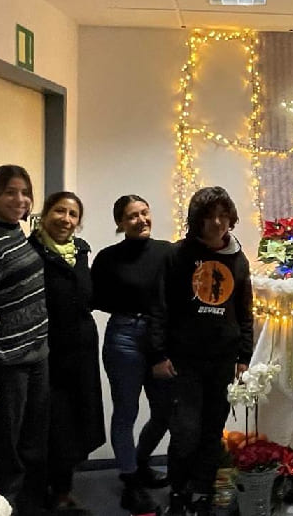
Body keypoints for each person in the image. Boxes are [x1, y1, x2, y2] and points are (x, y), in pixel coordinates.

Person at [154, 187, 253, 516]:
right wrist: (158, 354)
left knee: (212, 431)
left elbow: (244, 311)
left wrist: (244, 357)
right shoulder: (177, 255)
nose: (217, 223)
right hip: (184, 360)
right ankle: (178, 490)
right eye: (210, 216)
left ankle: (201, 492)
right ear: (197, 220)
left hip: (223, 360)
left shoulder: (238, 259)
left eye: (224, 216)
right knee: (186, 431)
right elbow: (160, 307)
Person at [0, 165, 51, 515]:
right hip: (9, 361)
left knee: (33, 442)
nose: (20, 200)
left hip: (38, 354)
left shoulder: (19, 234)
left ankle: (28, 506)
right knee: (7, 449)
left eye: (25, 193)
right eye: (10, 192)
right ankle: (6, 507)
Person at [91, 195, 172, 514]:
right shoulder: (108, 258)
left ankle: (139, 462)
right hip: (124, 337)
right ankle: (130, 480)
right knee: (126, 412)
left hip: (161, 338)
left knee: (165, 411)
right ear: (120, 223)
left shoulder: (168, 252)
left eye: (144, 212)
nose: (141, 220)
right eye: (132, 216)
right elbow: (96, 298)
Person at [29, 192, 106, 515]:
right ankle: (49, 493)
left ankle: (64, 488)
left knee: (80, 419)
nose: (66, 219)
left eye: (73, 214)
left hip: (82, 351)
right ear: (45, 214)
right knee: (54, 424)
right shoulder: (32, 251)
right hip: (49, 352)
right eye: (59, 211)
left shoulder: (82, 252)